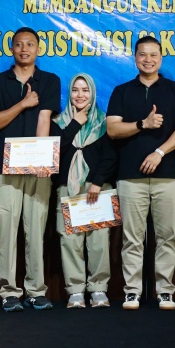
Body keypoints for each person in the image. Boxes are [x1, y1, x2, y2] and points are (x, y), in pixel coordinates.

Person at [106, 35, 175, 311]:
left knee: (167, 236)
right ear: (135, 58)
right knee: (132, 238)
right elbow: (112, 129)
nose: (148, 59)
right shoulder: (122, 91)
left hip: (168, 175)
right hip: (130, 177)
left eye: (153, 54)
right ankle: (132, 291)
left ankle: (165, 291)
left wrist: (159, 153)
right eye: (143, 54)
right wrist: (142, 124)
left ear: (161, 58)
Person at [0, 27, 61, 312]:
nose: (24, 49)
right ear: (11, 49)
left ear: (38, 49)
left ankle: (36, 290)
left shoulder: (49, 80)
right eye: (18, 44)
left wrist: (41, 160)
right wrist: (23, 103)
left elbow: (44, 119)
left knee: (35, 230)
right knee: (5, 231)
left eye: (30, 44)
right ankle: (9, 292)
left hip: (37, 170)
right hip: (3, 169)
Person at [52, 73, 117, 309]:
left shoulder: (104, 122)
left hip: (97, 188)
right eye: (75, 90)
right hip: (67, 189)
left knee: (99, 241)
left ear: (93, 93)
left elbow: (110, 156)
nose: (80, 95)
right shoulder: (58, 122)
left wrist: (97, 182)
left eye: (85, 90)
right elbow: (55, 151)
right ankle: (75, 290)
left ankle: (99, 288)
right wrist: (75, 123)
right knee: (70, 241)